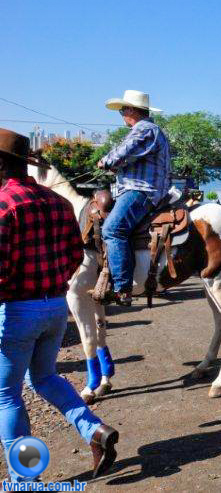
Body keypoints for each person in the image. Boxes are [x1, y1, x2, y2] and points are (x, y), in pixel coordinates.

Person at [0, 129, 119, 481]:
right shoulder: (59, 202)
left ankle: (25, 479)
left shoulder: (4, 204)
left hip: (16, 311)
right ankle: (95, 430)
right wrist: (52, 284)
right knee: (45, 377)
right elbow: (74, 256)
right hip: (54, 307)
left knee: (7, 396)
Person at [97, 90, 171, 306]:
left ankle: (122, 288)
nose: (121, 115)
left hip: (140, 190)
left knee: (112, 230)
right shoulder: (148, 130)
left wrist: (105, 161)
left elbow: (122, 153)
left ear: (132, 110)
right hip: (141, 189)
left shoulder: (145, 129)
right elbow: (128, 159)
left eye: (122, 110)